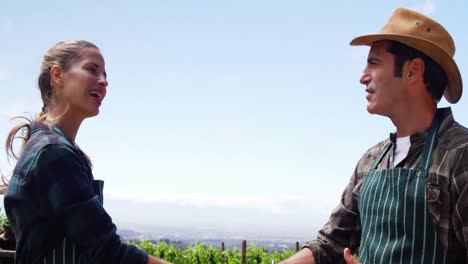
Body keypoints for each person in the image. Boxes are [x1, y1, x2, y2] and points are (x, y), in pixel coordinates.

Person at [280, 7, 467, 264]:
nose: (362, 76)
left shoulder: (459, 156)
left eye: (374, 62)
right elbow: (329, 245)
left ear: (413, 71)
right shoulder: (372, 161)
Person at [3, 40, 171, 264]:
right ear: (57, 75)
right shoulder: (54, 152)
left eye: (105, 75)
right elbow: (107, 252)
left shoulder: (48, 144)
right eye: (92, 70)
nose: (104, 82)